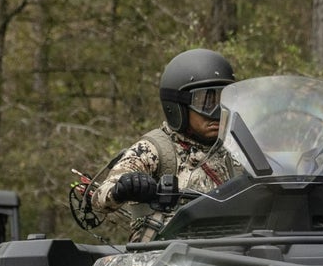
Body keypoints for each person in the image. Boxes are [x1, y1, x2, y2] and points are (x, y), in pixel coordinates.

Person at [91, 48, 236, 242]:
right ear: (178, 106)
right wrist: (125, 187)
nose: (218, 112)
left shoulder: (237, 148)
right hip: (165, 252)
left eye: (224, 100)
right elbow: (99, 198)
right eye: (206, 102)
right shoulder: (155, 149)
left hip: (233, 247)